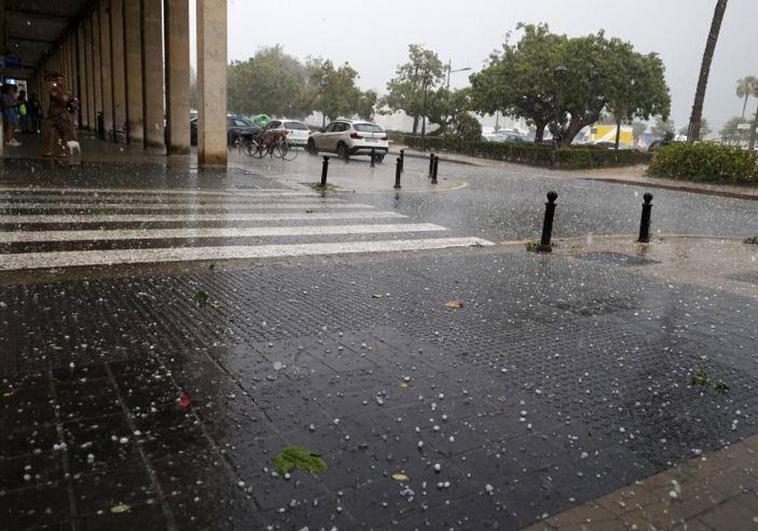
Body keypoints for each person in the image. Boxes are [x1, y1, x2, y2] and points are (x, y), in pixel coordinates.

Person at [44, 77, 77, 157]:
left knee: (63, 134)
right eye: (57, 80)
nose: (58, 82)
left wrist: (59, 93)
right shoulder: (53, 90)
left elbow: (64, 102)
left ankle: (64, 150)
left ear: (64, 82)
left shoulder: (64, 92)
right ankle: (50, 150)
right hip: (52, 115)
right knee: (50, 133)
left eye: (60, 80)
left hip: (61, 115)